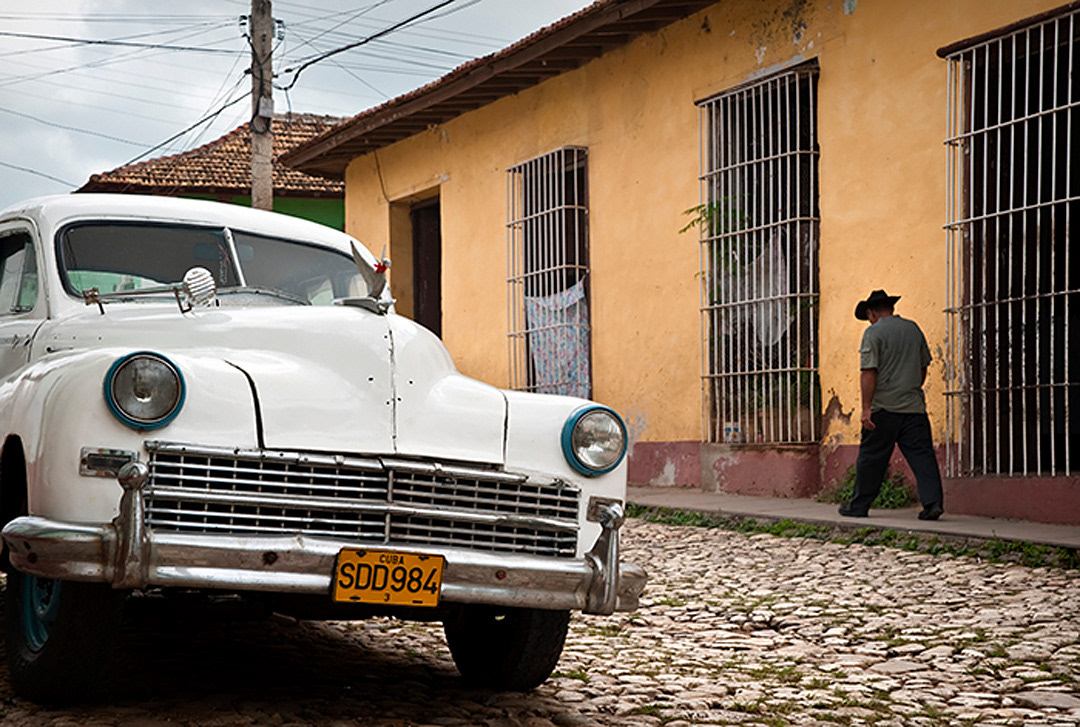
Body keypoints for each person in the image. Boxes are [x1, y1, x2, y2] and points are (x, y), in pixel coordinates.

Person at [839, 290, 944, 521]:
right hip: (913, 408)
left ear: (871, 313)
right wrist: (911, 389)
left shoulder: (873, 333)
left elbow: (869, 371)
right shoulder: (913, 329)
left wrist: (866, 408)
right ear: (891, 309)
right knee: (922, 456)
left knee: (871, 458)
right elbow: (923, 366)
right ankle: (933, 503)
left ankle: (859, 505)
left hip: (883, 409)